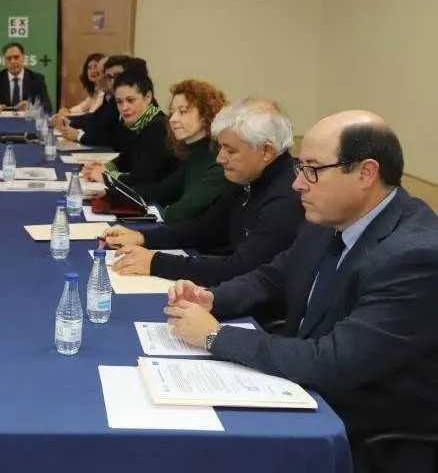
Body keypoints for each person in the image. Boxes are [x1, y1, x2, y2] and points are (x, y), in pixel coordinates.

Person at [164, 112, 438, 470]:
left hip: (356, 431)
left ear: (365, 173)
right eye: (299, 168)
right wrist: (213, 297)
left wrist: (215, 336)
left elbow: (335, 360)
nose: (297, 185)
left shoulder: (415, 256)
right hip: (296, 390)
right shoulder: (330, 217)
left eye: (312, 169)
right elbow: (272, 277)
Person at [104, 98, 303, 319]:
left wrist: (155, 262)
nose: (220, 159)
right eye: (221, 148)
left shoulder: (286, 198)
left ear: (266, 152)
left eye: (230, 150)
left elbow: (240, 269)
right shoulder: (251, 177)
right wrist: (143, 237)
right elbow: (206, 228)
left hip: (259, 315)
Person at [135, 79, 231, 223]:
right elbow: (160, 192)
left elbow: (182, 212)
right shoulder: (195, 154)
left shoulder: (217, 158)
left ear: (206, 114)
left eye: (182, 112)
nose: (173, 119)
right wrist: (111, 192)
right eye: (172, 112)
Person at [79, 71, 177, 187]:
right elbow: (125, 160)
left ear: (148, 97)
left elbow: (141, 181)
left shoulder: (158, 128)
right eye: (119, 102)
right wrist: (103, 167)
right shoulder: (140, 123)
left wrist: (105, 175)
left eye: (130, 100)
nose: (124, 108)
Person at [54, 54, 151, 146]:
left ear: (147, 97)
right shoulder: (113, 99)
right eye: (109, 77)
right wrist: (105, 165)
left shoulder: (153, 122)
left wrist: (79, 135)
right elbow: (98, 121)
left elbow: (119, 138)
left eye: (130, 100)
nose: (113, 82)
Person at [0, 42, 52, 114]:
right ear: (4, 61)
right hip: (2, 122)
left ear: (23, 58)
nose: (13, 61)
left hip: (27, 122)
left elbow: (48, 107)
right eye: (9, 58)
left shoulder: (36, 79)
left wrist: (30, 107)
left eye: (16, 57)